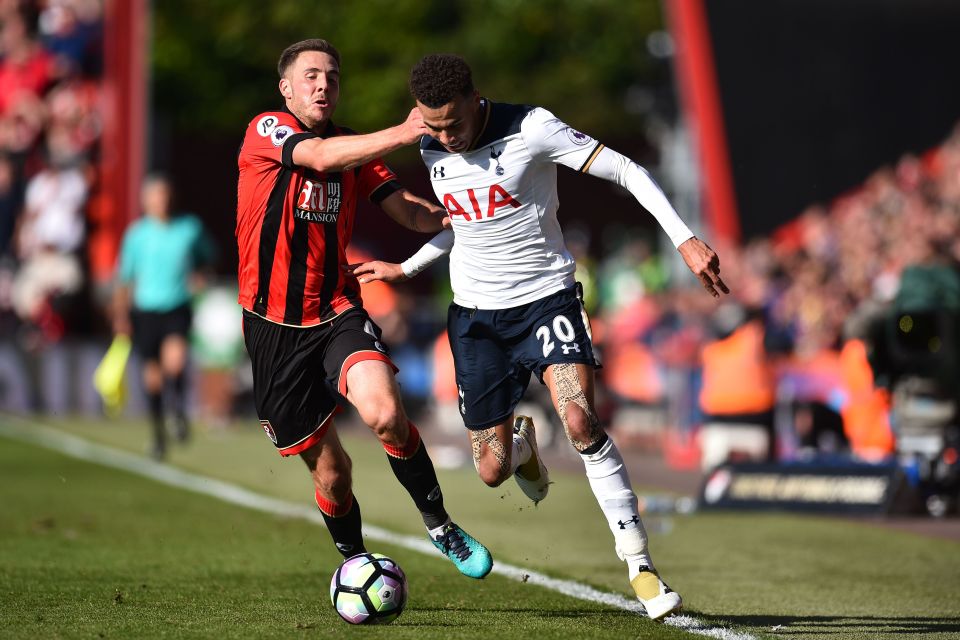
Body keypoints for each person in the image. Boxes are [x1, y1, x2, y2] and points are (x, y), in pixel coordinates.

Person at [349, 54, 729, 620]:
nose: (446, 138)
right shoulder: (427, 140)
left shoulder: (532, 128)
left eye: (453, 124)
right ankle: (522, 444)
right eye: (435, 127)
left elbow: (626, 170)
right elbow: (466, 227)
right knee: (491, 469)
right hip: (476, 320)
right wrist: (405, 269)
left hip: (547, 299)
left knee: (579, 420)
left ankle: (640, 567)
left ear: (475, 98)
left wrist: (684, 238)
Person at [235, 39, 491, 579]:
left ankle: (440, 523)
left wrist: (462, 214)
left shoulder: (355, 146)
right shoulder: (267, 129)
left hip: (336, 311)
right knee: (333, 476)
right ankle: (356, 565)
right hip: (273, 328)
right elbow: (320, 157)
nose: (323, 84)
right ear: (286, 88)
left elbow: (408, 212)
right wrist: (407, 129)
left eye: (331, 75)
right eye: (310, 76)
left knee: (386, 414)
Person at [113, 174, 214, 459]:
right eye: (156, 195)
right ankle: (158, 435)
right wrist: (120, 314)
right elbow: (124, 278)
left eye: (165, 194)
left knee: (176, 363)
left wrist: (201, 276)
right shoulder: (137, 235)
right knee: (153, 378)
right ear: (146, 201)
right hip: (146, 309)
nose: (162, 201)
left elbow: (208, 257)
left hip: (177, 306)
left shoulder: (189, 228)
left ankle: (178, 411)